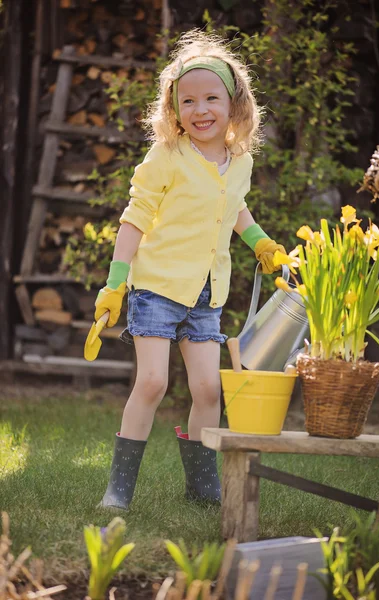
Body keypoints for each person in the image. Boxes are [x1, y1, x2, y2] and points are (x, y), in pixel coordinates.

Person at [94, 29, 286, 510]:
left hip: (207, 294)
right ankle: (118, 489)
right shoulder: (167, 157)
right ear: (174, 109)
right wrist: (116, 284)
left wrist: (260, 242)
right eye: (188, 101)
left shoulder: (237, 160)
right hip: (157, 287)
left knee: (207, 389)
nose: (201, 110)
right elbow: (135, 218)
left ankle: (202, 487)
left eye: (211, 99)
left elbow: (235, 207)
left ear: (234, 104)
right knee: (154, 382)